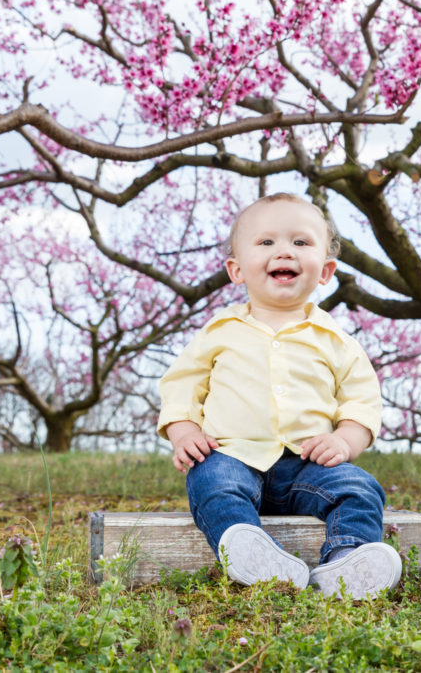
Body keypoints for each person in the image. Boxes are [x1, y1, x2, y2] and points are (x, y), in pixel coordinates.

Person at [157, 193, 401, 598]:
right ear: (236, 270)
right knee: (210, 481)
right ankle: (249, 549)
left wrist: (343, 440)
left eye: (301, 243)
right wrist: (184, 433)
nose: (284, 250)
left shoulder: (336, 341)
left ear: (325, 271)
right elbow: (182, 384)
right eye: (266, 242)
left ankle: (346, 562)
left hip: (308, 467)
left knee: (360, 488)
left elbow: (362, 401)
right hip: (232, 454)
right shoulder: (219, 332)